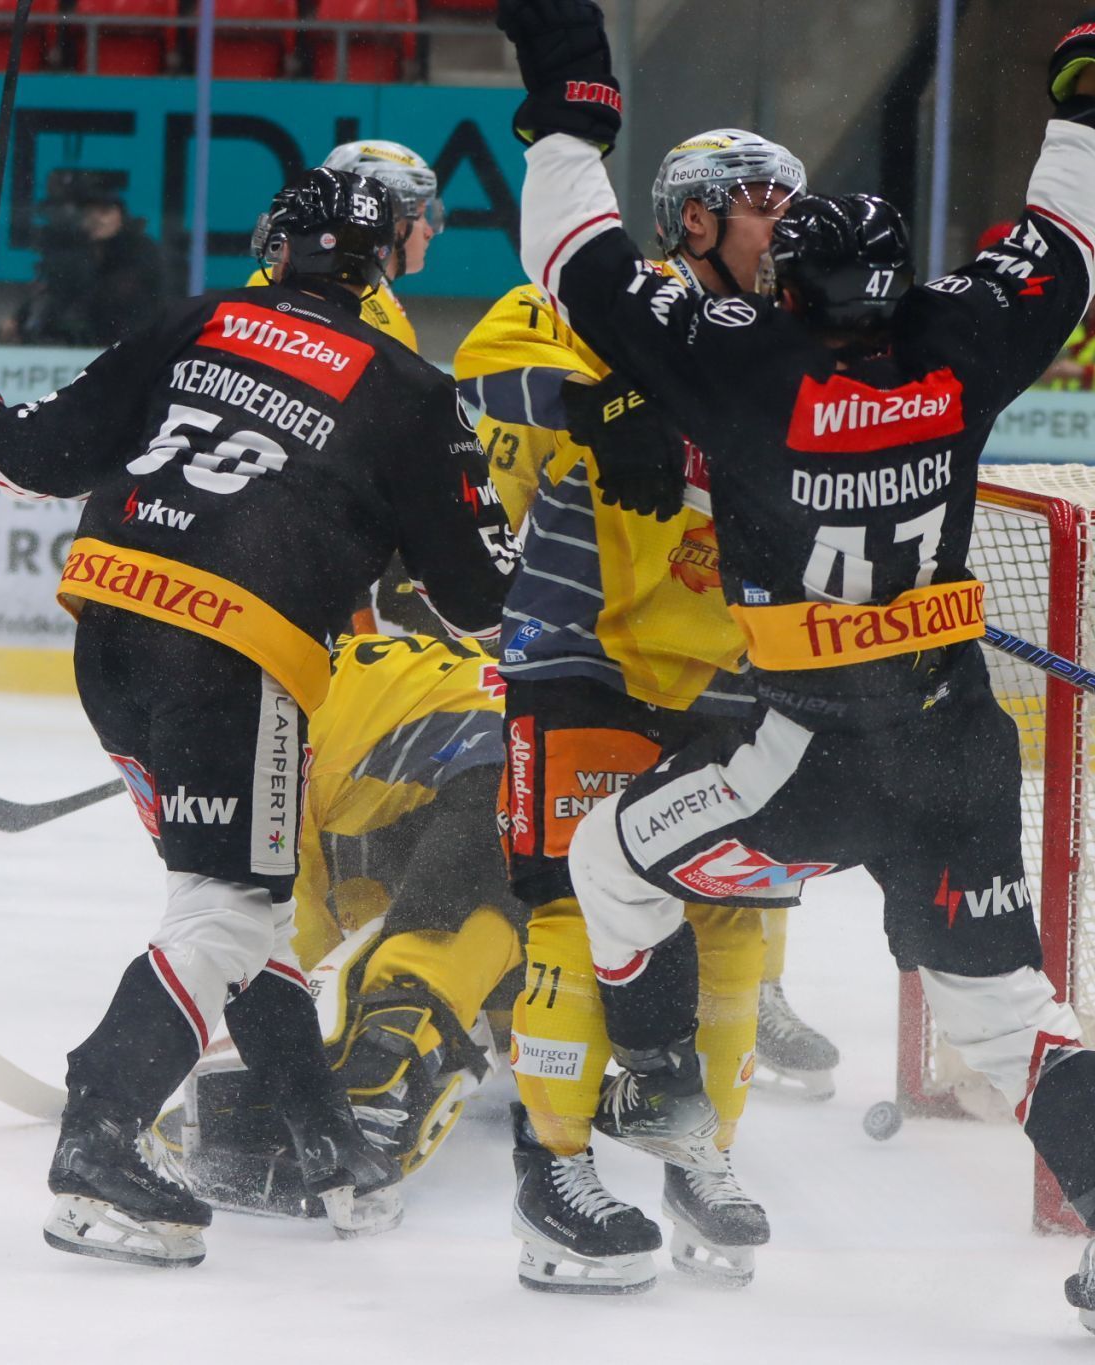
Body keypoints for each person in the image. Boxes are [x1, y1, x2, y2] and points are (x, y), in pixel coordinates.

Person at [494, 0, 1095, 1345]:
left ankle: (652, 1080)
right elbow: (1066, 230)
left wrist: (569, 86)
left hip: (806, 759)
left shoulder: (740, 366)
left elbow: (572, 254)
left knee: (606, 861)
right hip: (955, 749)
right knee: (1007, 1020)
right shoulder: (963, 338)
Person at [0, 166, 517, 1268]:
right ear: (381, 264)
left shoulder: (201, 319)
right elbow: (482, 596)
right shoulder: (407, 388)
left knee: (241, 903)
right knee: (230, 909)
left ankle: (323, 1137)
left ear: (278, 248)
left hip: (110, 626)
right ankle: (97, 1144)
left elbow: (39, 453)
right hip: (236, 651)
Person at [454, 125, 819, 1296]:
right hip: (581, 655)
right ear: (698, 219)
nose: (787, 230)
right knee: (568, 903)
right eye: (766, 208)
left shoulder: (797, 342)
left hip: (730, 675)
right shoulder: (613, 304)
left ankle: (697, 1153)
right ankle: (550, 1175)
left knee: (731, 921)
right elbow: (483, 375)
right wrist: (604, 397)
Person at [182, 628, 524, 1218]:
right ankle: (494, 1020)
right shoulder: (334, 682)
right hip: (558, 764)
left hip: (488, 769)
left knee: (437, 921)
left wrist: (300, 1047)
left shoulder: (264, 735)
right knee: (497, 896)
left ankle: (384, 1060)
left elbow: (283, 918)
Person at [245, 139, 443, 354]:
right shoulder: (309, 286)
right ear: (389, 217)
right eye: (422, 215)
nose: (429, 232)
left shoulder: (279, 278)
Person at [0, 176, 172, 349]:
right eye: (89, 212)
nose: (96, 218)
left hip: (130, 345)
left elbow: (123, 298)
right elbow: (53, 290)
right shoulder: (73, 250)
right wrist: (19, 320)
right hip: (75, 346)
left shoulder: (140, 250)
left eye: (104, 211)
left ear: (120, 216)